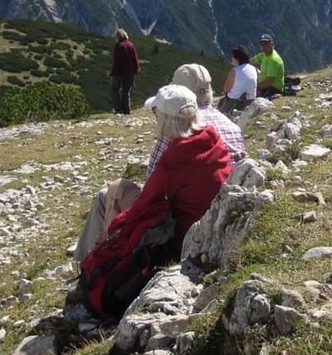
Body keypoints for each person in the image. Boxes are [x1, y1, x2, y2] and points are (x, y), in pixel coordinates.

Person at [74, 63, 246, 262]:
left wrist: (114, 225)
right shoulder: (227, 129)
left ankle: (92, 262)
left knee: (110, 194)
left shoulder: (178, 139)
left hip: (181, 226)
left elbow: (152, 189)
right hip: (220, 218)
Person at [97, 84, 232, 263]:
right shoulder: (214, 140)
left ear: (165, 119)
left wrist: (111, 231)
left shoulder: (175, 158)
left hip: (182, 237)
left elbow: (144, 203)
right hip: (216, 229)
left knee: (114, 192)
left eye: (156, 114)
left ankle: (95, 258)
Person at [219, 44, 258, 114]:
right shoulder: (253, 68)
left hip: (235, 101)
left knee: (221, 105)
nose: (232, 59)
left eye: (233, 57)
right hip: (251, 99)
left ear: (237, 59)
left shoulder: (234, 71)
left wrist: (225, 92)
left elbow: (226, 89)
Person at [110, 28, 140, 115]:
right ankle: (127, 110)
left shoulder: (118, 46)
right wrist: (136, 70)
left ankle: (118, 109)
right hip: (130, 73)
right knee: (126, 92)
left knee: (114, 90)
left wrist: (113, 72)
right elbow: (135, 59)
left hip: (119, 73)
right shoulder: (131, 45)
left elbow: (116, 61)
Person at [252, 33, 285, 99]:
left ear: (272, 44)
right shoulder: (264, 54)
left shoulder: (274, 60)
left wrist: (256, 87)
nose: (264, 46)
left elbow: (268, 82)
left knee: (249, 96)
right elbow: (251, 61)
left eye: (266, 43)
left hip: (272, 89)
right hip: (265, 86)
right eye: (262, 44)